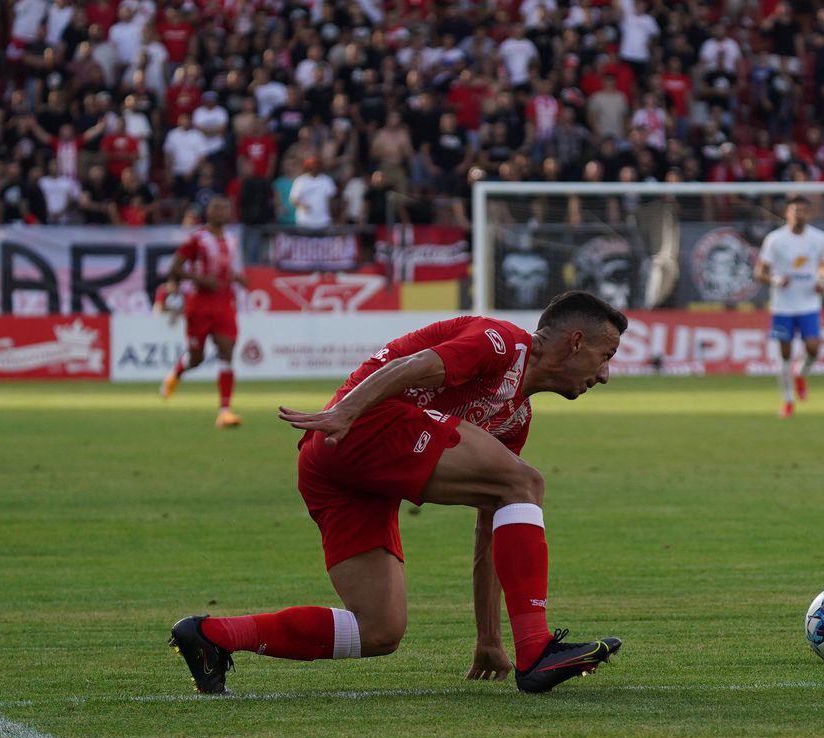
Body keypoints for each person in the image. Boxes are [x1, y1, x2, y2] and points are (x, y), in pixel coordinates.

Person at [169, 291, 627, 694]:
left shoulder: (516, 418)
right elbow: (416, 365)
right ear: (575, 342)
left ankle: (213, 636)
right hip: (361, 425)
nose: (605, 374)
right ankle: (537, 649)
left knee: (379, 630)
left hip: (332, 466)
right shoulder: (503, 342)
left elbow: (493, 525)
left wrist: (489, 636)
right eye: (606, 355)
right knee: (526, 482)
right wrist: (345, 412)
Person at [159, 197, 247, 428]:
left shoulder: (231, 240)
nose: (220, 211)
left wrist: (237, 278)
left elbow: (226, 268)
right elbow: (174, 268)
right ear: (208, 212)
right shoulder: (196, 239)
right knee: (196, 358)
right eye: (216, 208)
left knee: (227, 349)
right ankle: (176, 372)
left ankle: (225, 411)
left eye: (224, 208)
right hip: (199, 304)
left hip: (224, 303)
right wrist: (200, 280)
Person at [754, 196, 824, 418]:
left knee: (813, 348)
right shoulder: (775, 239)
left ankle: (801, 373)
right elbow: (760, 272)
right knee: (785, 352)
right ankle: (788, 401)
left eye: (803, 210)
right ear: (787, 213)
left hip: (809, 303)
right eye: (795, 210)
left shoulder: (820, 238)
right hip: (783, 306)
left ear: (809, 213)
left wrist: (822, 281)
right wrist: (776, 280)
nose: (799, 214)